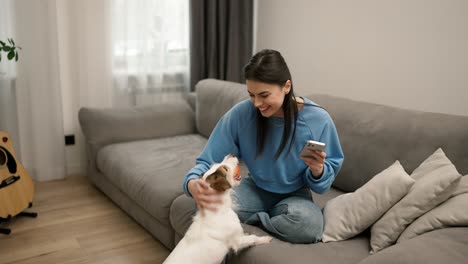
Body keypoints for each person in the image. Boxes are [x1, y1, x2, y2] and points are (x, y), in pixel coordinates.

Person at [183, 49, 344, 244]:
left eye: (264, 95)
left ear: (286, 86)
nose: (257, 103)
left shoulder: (318, 121)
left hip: (296, 197)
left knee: (308, 226)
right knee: (208, 208)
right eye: (251, 95)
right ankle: (267, 218)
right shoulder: (241, 115)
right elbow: (208, 159)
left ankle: (253, 220)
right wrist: (192, 183)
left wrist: (318, 171)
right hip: (255, 189)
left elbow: (323, 185)